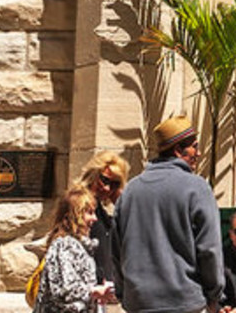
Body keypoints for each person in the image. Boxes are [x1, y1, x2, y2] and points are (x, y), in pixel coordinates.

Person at [116, 115, 224, 313]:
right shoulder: (197, 188)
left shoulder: (130, 190)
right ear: (178, 150)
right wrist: (214, 296)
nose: (198, 153)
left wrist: (124, 294)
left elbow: (117, 250)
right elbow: (209, 250)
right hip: (184, 303)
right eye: (194, 147)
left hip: (139, 303)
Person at [36, 185, 116, 313]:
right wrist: (94, 292)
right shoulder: (64, 245)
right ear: (74, 216)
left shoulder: (80, 246)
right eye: (89, 213)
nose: (95, 219)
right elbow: (64, 291)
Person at [80, 150, 129, 299]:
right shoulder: (79, 203)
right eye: (104, 180)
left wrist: (119, 200)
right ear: (93, 174)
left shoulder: (99, 209)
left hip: (97, 291)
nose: (107, 188)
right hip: (84, 291)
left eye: (114, 184)